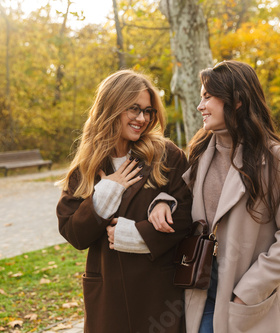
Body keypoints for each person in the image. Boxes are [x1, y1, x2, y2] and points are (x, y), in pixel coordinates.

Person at [148, 60, 280, 333]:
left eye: (207, 97)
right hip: (200, 288)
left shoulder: (274, 159)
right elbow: (183, 200)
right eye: (201, 98)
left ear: (236, 101)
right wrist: (163, 202)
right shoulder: (200, 151)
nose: (200, 106)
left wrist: (248, 291)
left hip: (246, 296)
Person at [56, 70, 192, 333]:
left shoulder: (167, 155)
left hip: (157, 294)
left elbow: (189, 214)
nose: (142, 118)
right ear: (112, 106)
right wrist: (103, 196)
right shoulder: (87, 167)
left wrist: (142, 232)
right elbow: (73, 233)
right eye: (134, 109)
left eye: (148, 111)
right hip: (109, 296)